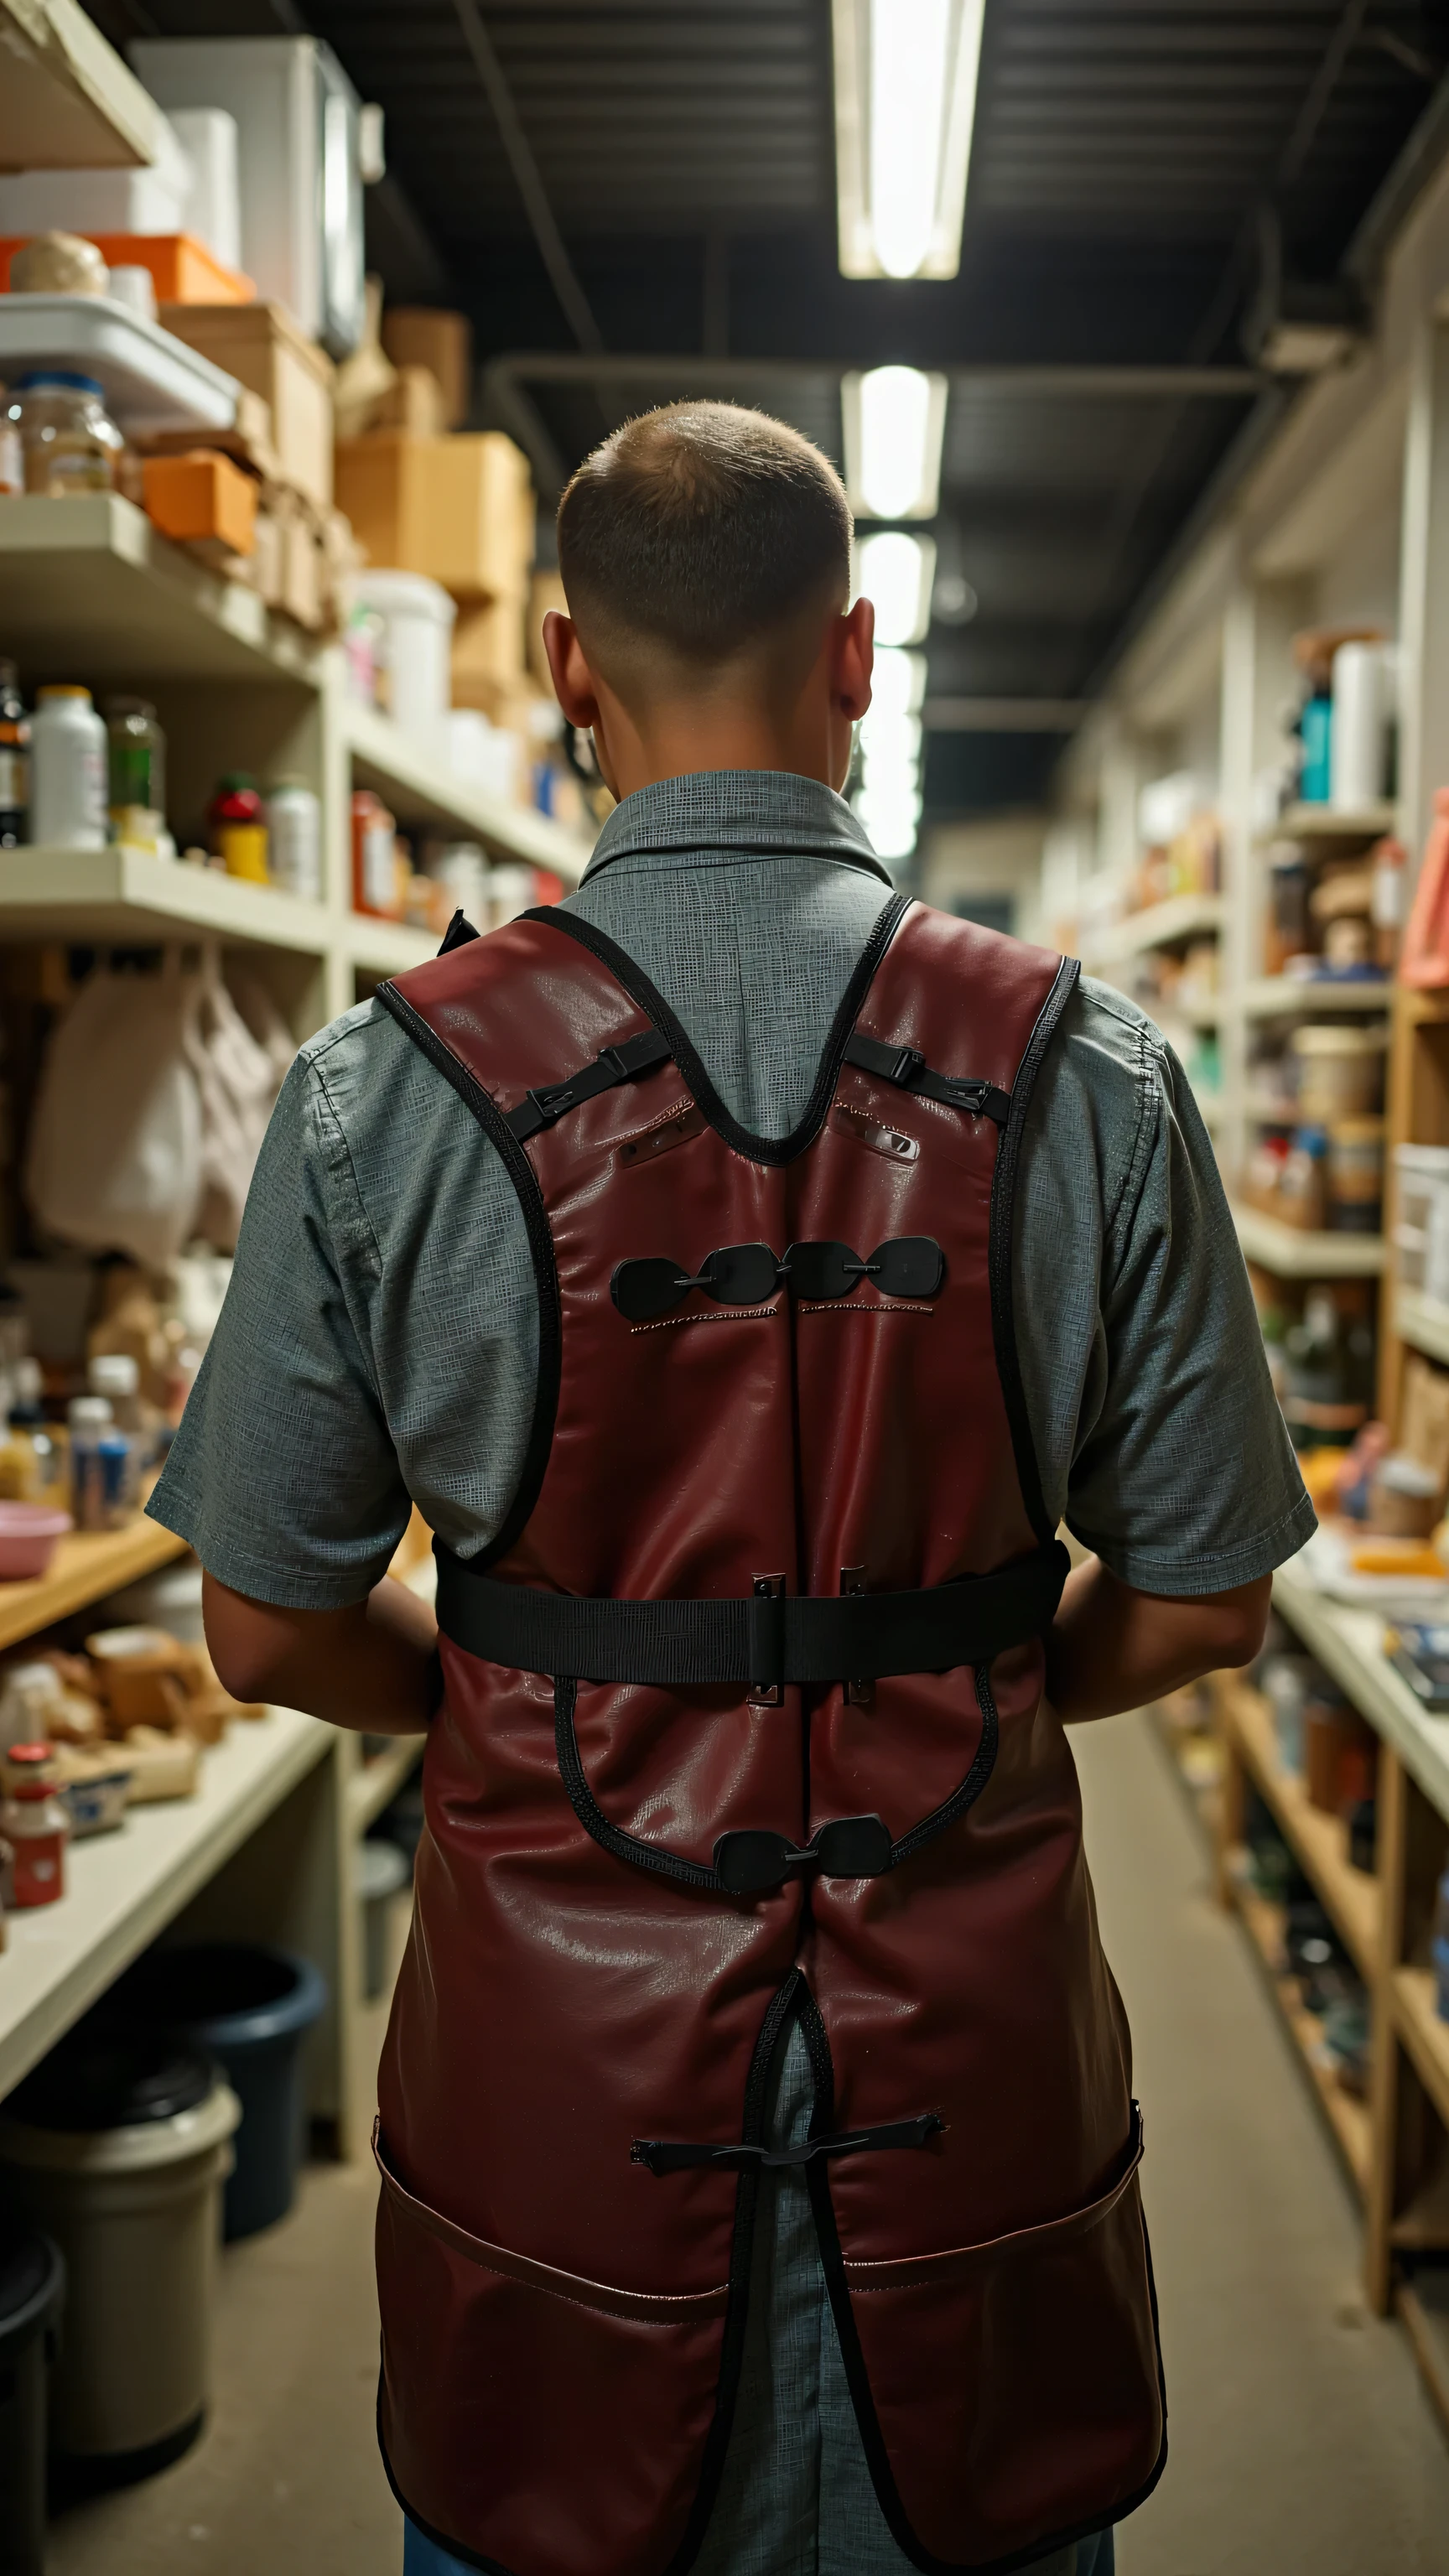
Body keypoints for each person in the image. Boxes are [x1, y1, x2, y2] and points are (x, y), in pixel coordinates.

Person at [149, 402, 1314, 2576]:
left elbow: (258, 1622)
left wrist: (526, 1699)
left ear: (567, 673)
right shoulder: (1101, 1071)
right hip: (971, 2089)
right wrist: (951, 1691)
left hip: (555, 2115)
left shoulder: (376, 1096)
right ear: (858, 657)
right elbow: (1211, 1596)